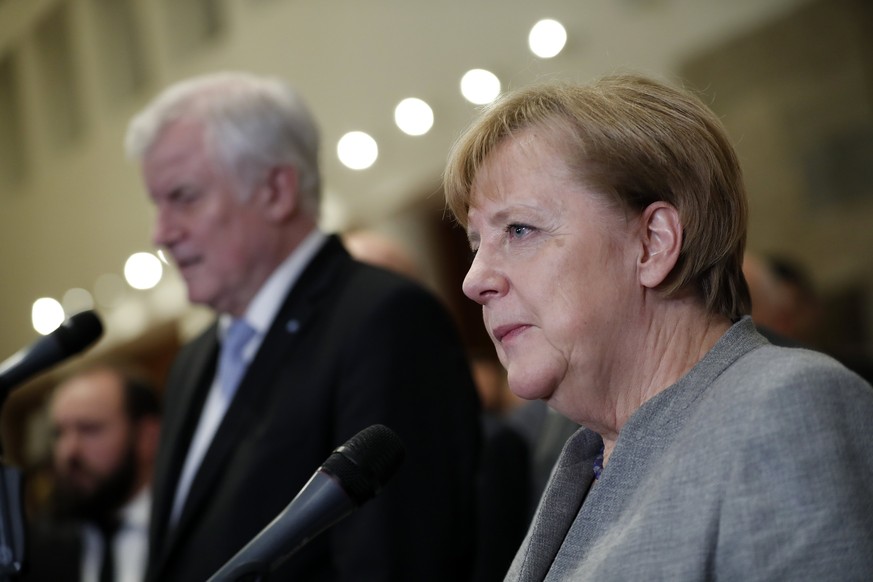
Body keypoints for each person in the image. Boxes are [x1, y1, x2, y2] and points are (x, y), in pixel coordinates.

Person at [443, 74, 873, 580]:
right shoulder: (585, 459)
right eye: (476, 245)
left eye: (519, 230)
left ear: (653, 243)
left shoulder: (786, 408)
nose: (475, 281)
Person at [124, 71, 481, 582]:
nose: (161, 233)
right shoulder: (193, 361)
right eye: (156, 204)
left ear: (275, 190)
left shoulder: (385, 319)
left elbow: (397, 561)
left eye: (183, 197)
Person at [24, 363, 161, 582]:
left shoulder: (185, 527)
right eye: (59, 433)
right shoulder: (40, 544)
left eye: (89, 429)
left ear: (147, 437)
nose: (68, 451)